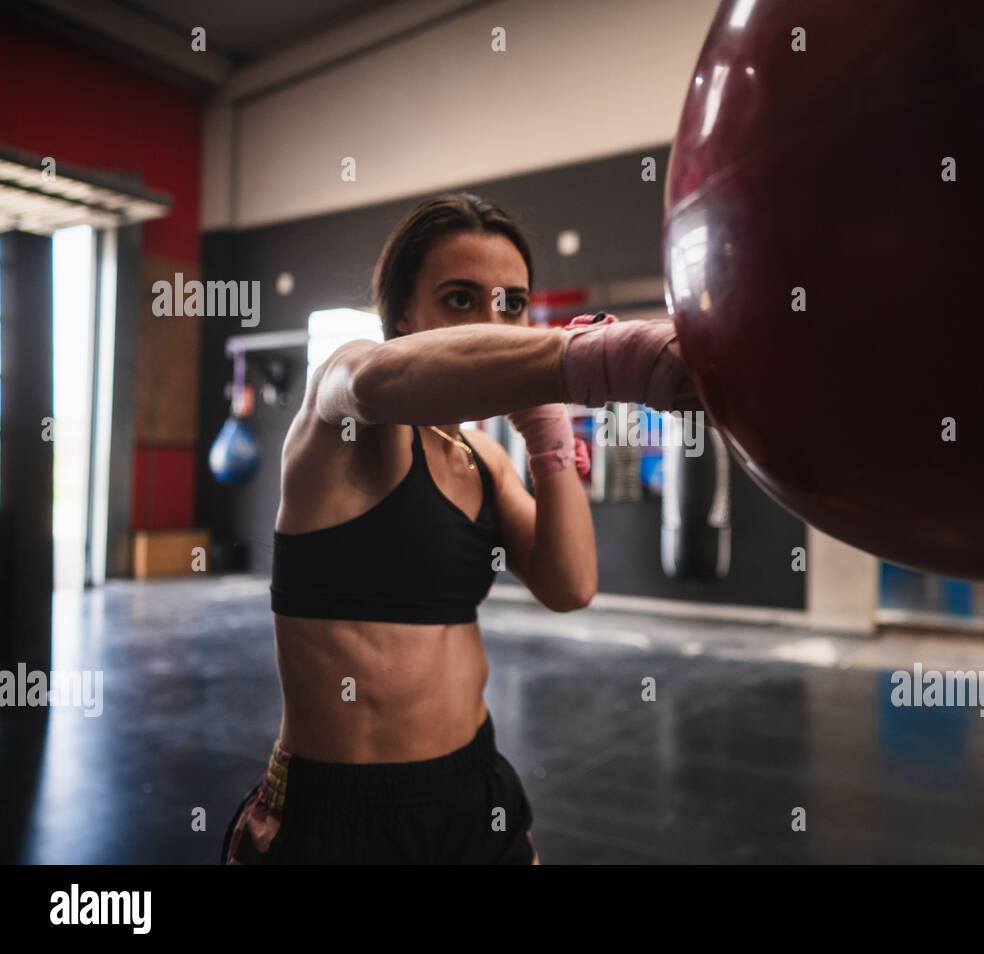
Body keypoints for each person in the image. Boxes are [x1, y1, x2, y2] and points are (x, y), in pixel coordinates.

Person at [220, 192, 698, 863]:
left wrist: (549, 437)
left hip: (474, 790)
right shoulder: (343, 412)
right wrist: (600, 359)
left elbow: (571, 585)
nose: (496, 321)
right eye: (461, 299)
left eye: (512, 303)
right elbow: (373, 382)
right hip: (344, 812)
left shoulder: (484, 462)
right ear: (399, 317)